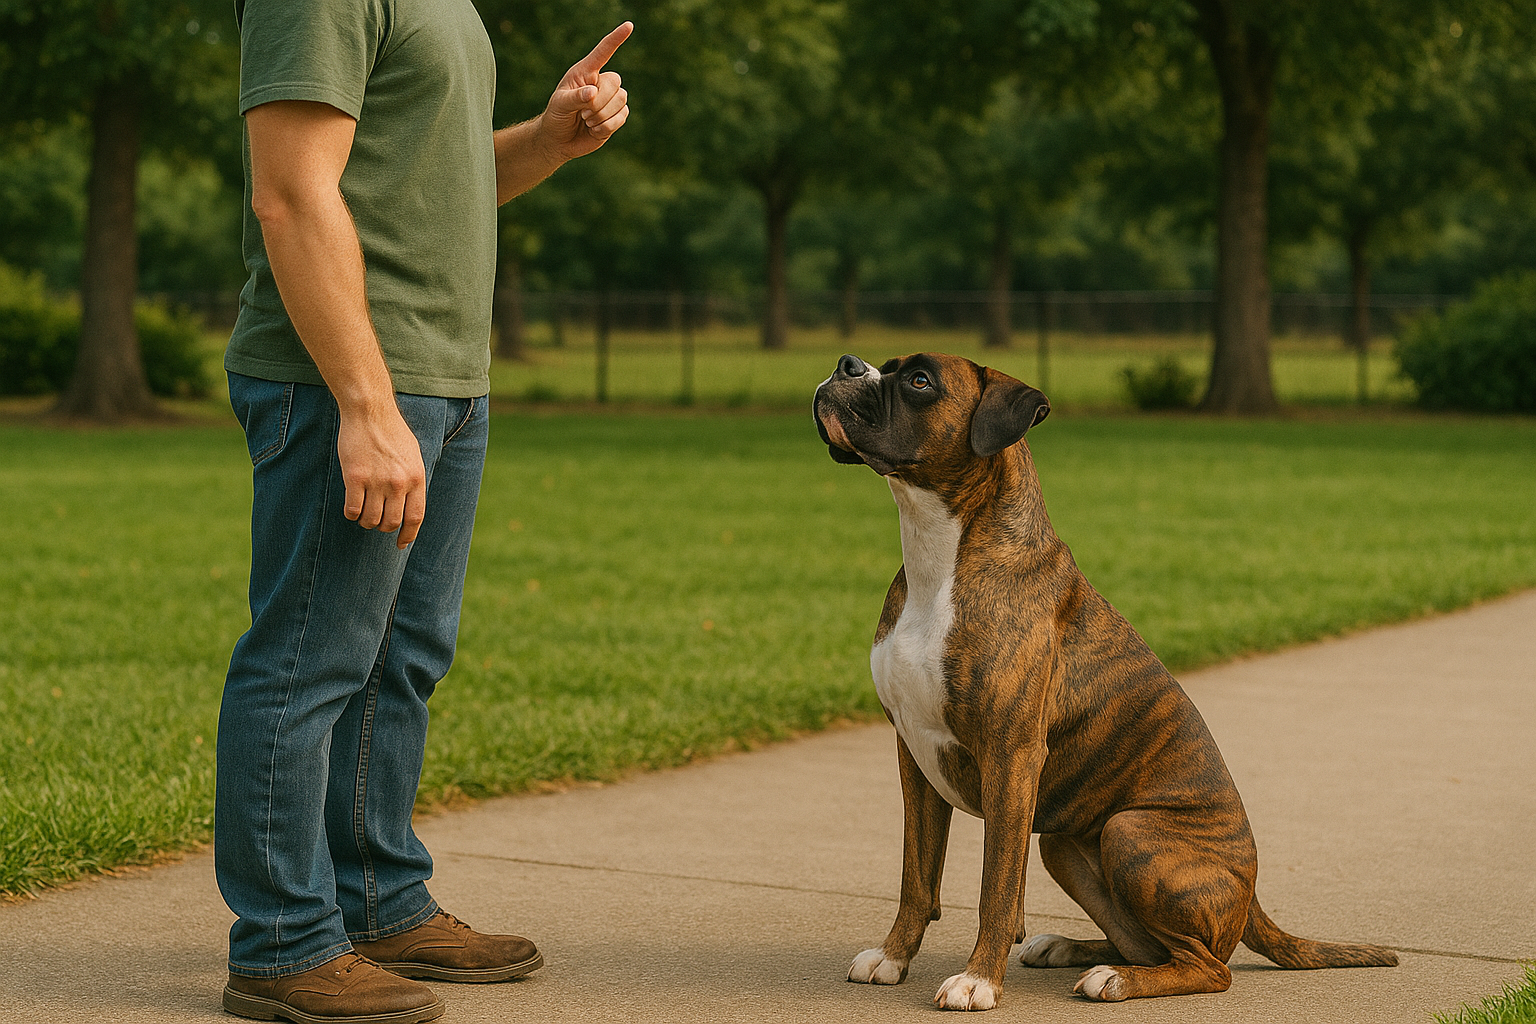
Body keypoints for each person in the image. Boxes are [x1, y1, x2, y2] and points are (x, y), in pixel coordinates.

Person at [215, 3, 631, 1022]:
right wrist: (364, 401)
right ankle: (280, 939)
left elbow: (437, 189)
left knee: (400, 656)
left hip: (444, 379)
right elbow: (291, 195)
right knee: (310, 657)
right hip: (350, 380)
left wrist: (546, 139)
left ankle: (377, 897)